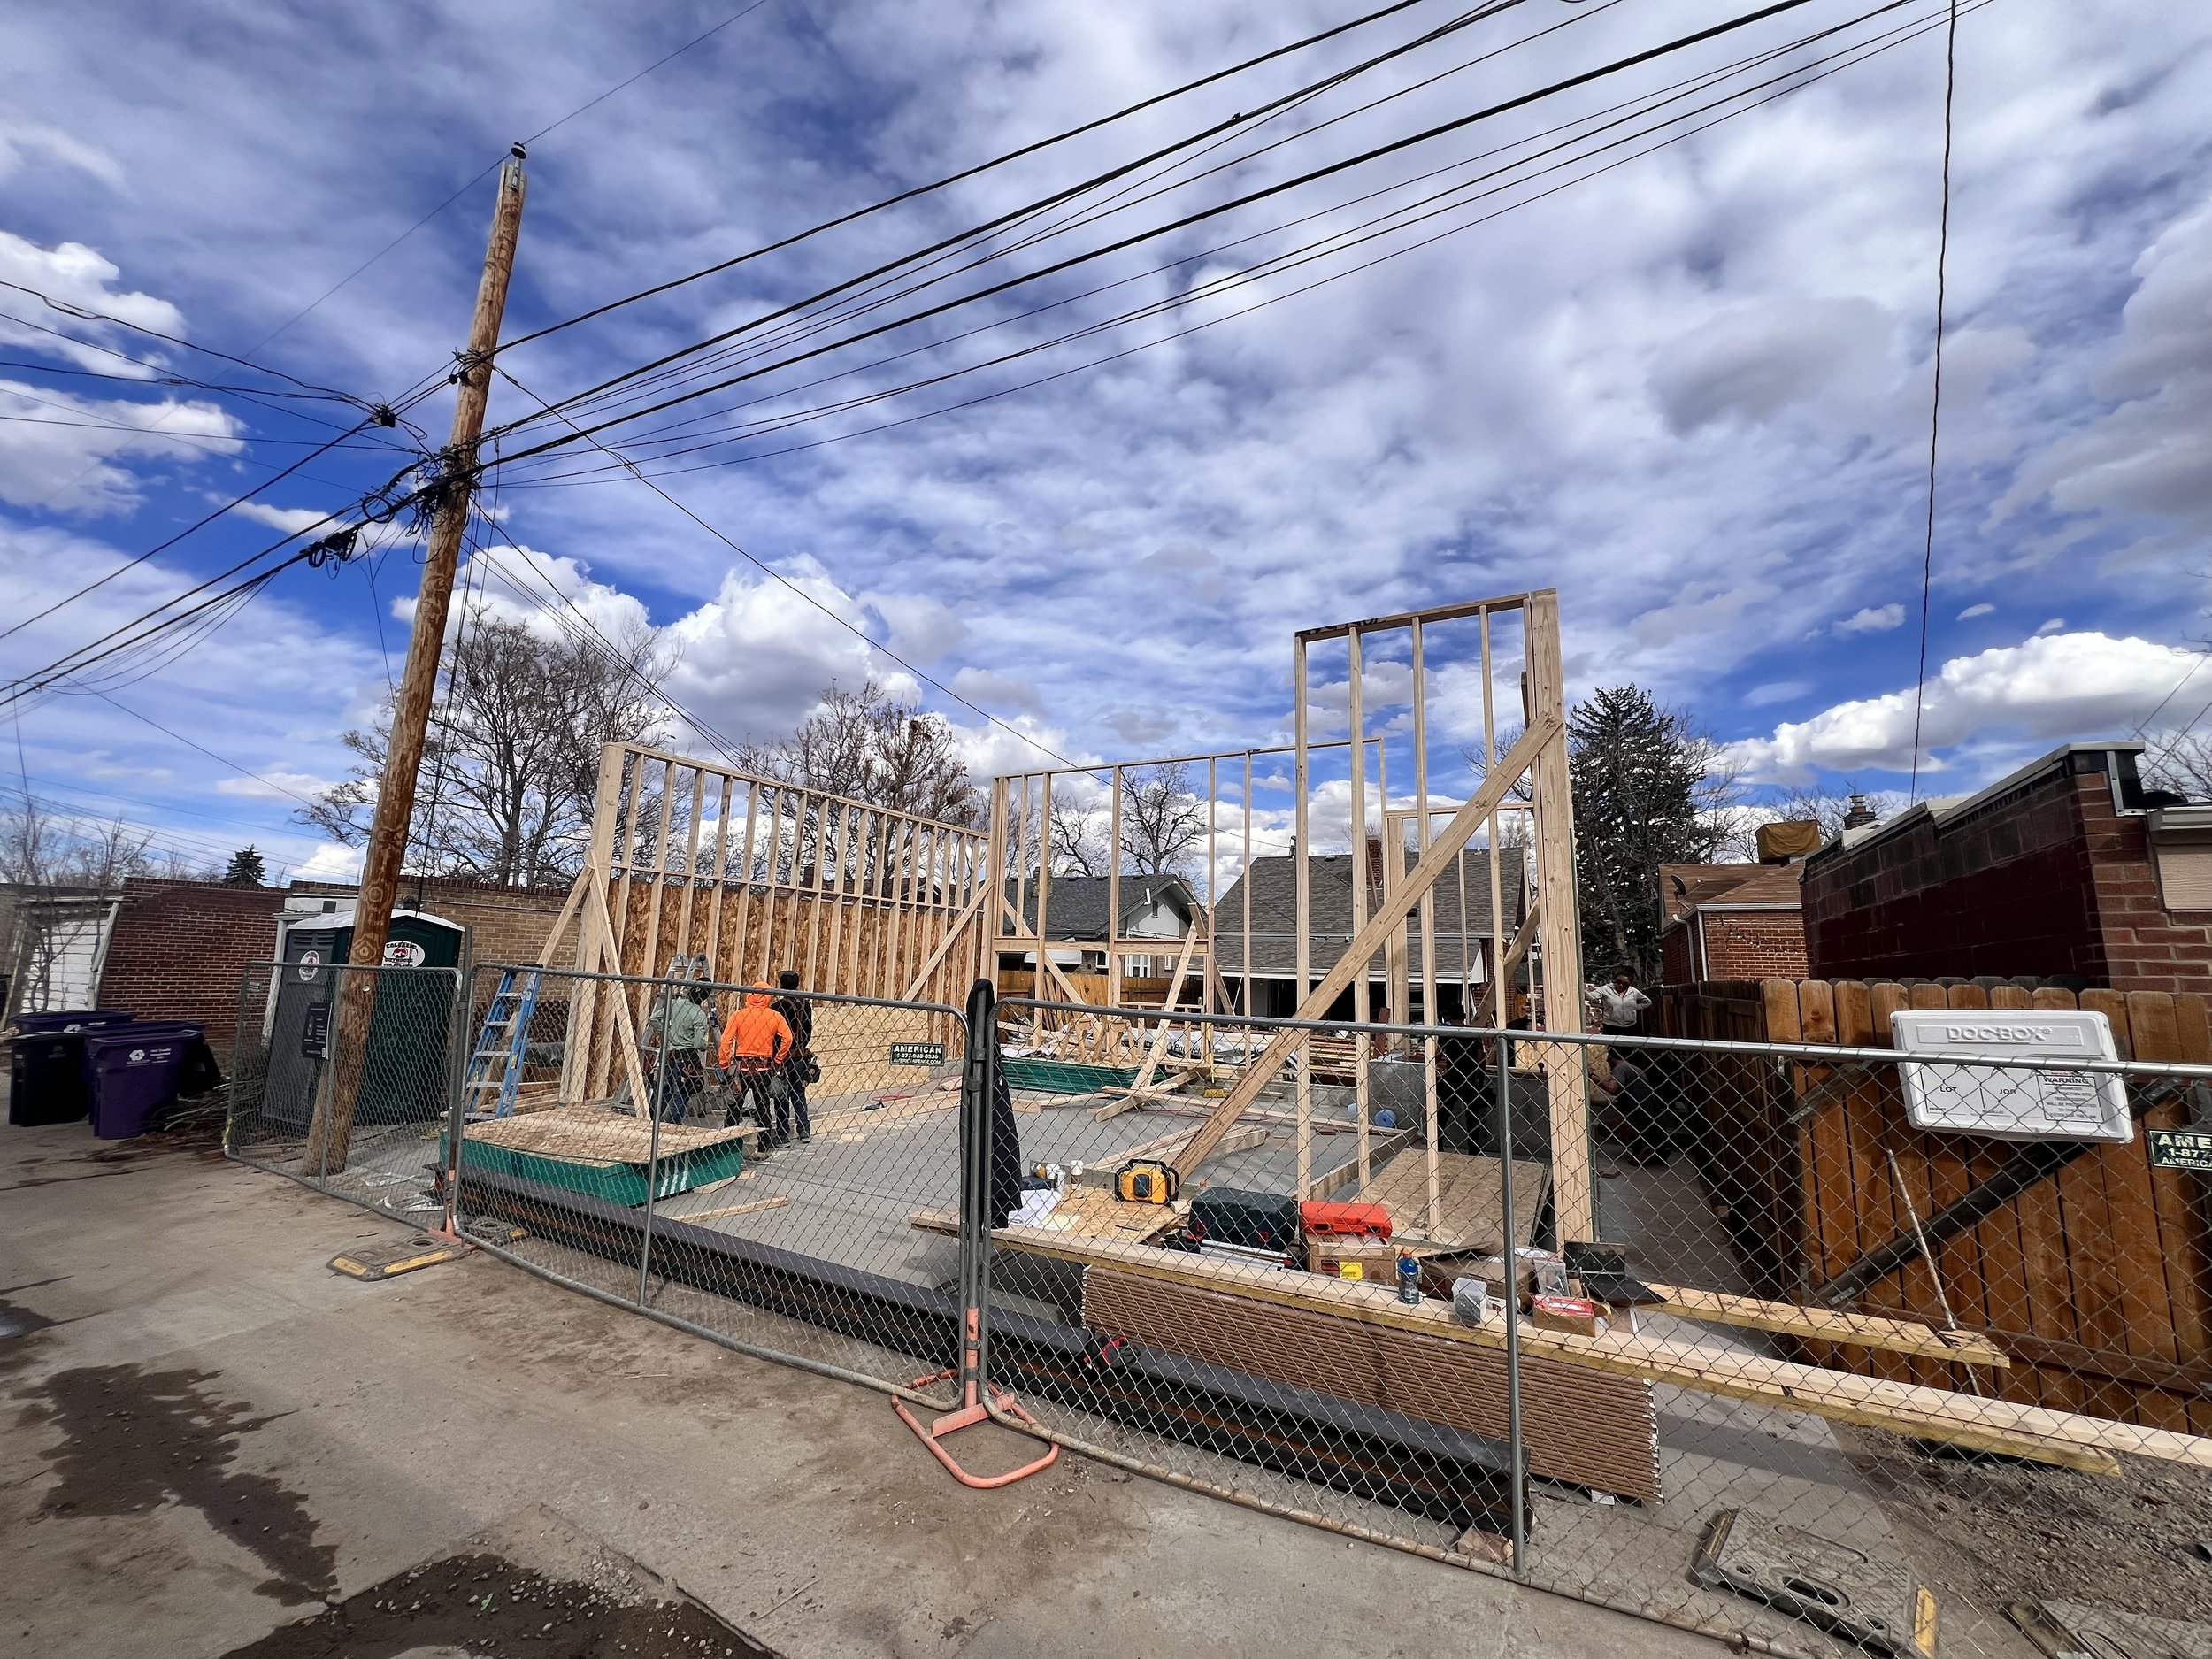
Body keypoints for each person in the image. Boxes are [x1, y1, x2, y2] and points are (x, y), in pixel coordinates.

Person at [718, 990, 794, 1146]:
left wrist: (725, 1065)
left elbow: (725, 1041)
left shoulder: (739, 1015)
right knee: (763, 1107)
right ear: (768, 998)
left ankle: (728, 1145)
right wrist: (778, 1060)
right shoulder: (774, 1016)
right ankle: (763, 1146)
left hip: (741, 1068)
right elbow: (788, 1038)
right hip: (763, 1069)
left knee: (734, 1106)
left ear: (750, 997)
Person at [644, 971, 711, 1123]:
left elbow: (654, 1018)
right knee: (683, 1092)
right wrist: (705, 1045)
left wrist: (666, 1033)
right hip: (686, 1057)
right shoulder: (699, 1015)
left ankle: (650, 1120)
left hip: (668, 1055)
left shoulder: (675, 1005)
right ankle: (673, 1125)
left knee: (664, 1089)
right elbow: (698, 1044)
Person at [769, 969, 815, 1148]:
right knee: (798, 1094)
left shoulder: (778, 1007)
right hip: (801, 1056)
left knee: (781, 1095)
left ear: (781, 985)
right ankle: (804, 1130)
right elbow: (809, 1030)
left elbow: (775, 1035)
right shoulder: (806, 1005)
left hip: (784, 1057)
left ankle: (782, 1134)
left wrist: (776, 1055)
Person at [1587, 966, 1651, 1041]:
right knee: (1614, 1050)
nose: (1621, 985)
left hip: (1630, 1026)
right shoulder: (1606, 989)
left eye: (1625, 984)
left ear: (1630, 984)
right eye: (1619, 982)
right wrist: (1587, 994)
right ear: (1615, 981)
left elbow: (1647, 1002)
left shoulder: (1634, 992)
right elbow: (1591, 996)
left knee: (1630, 1049)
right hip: (1611, 1026)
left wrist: (1634, 1008)